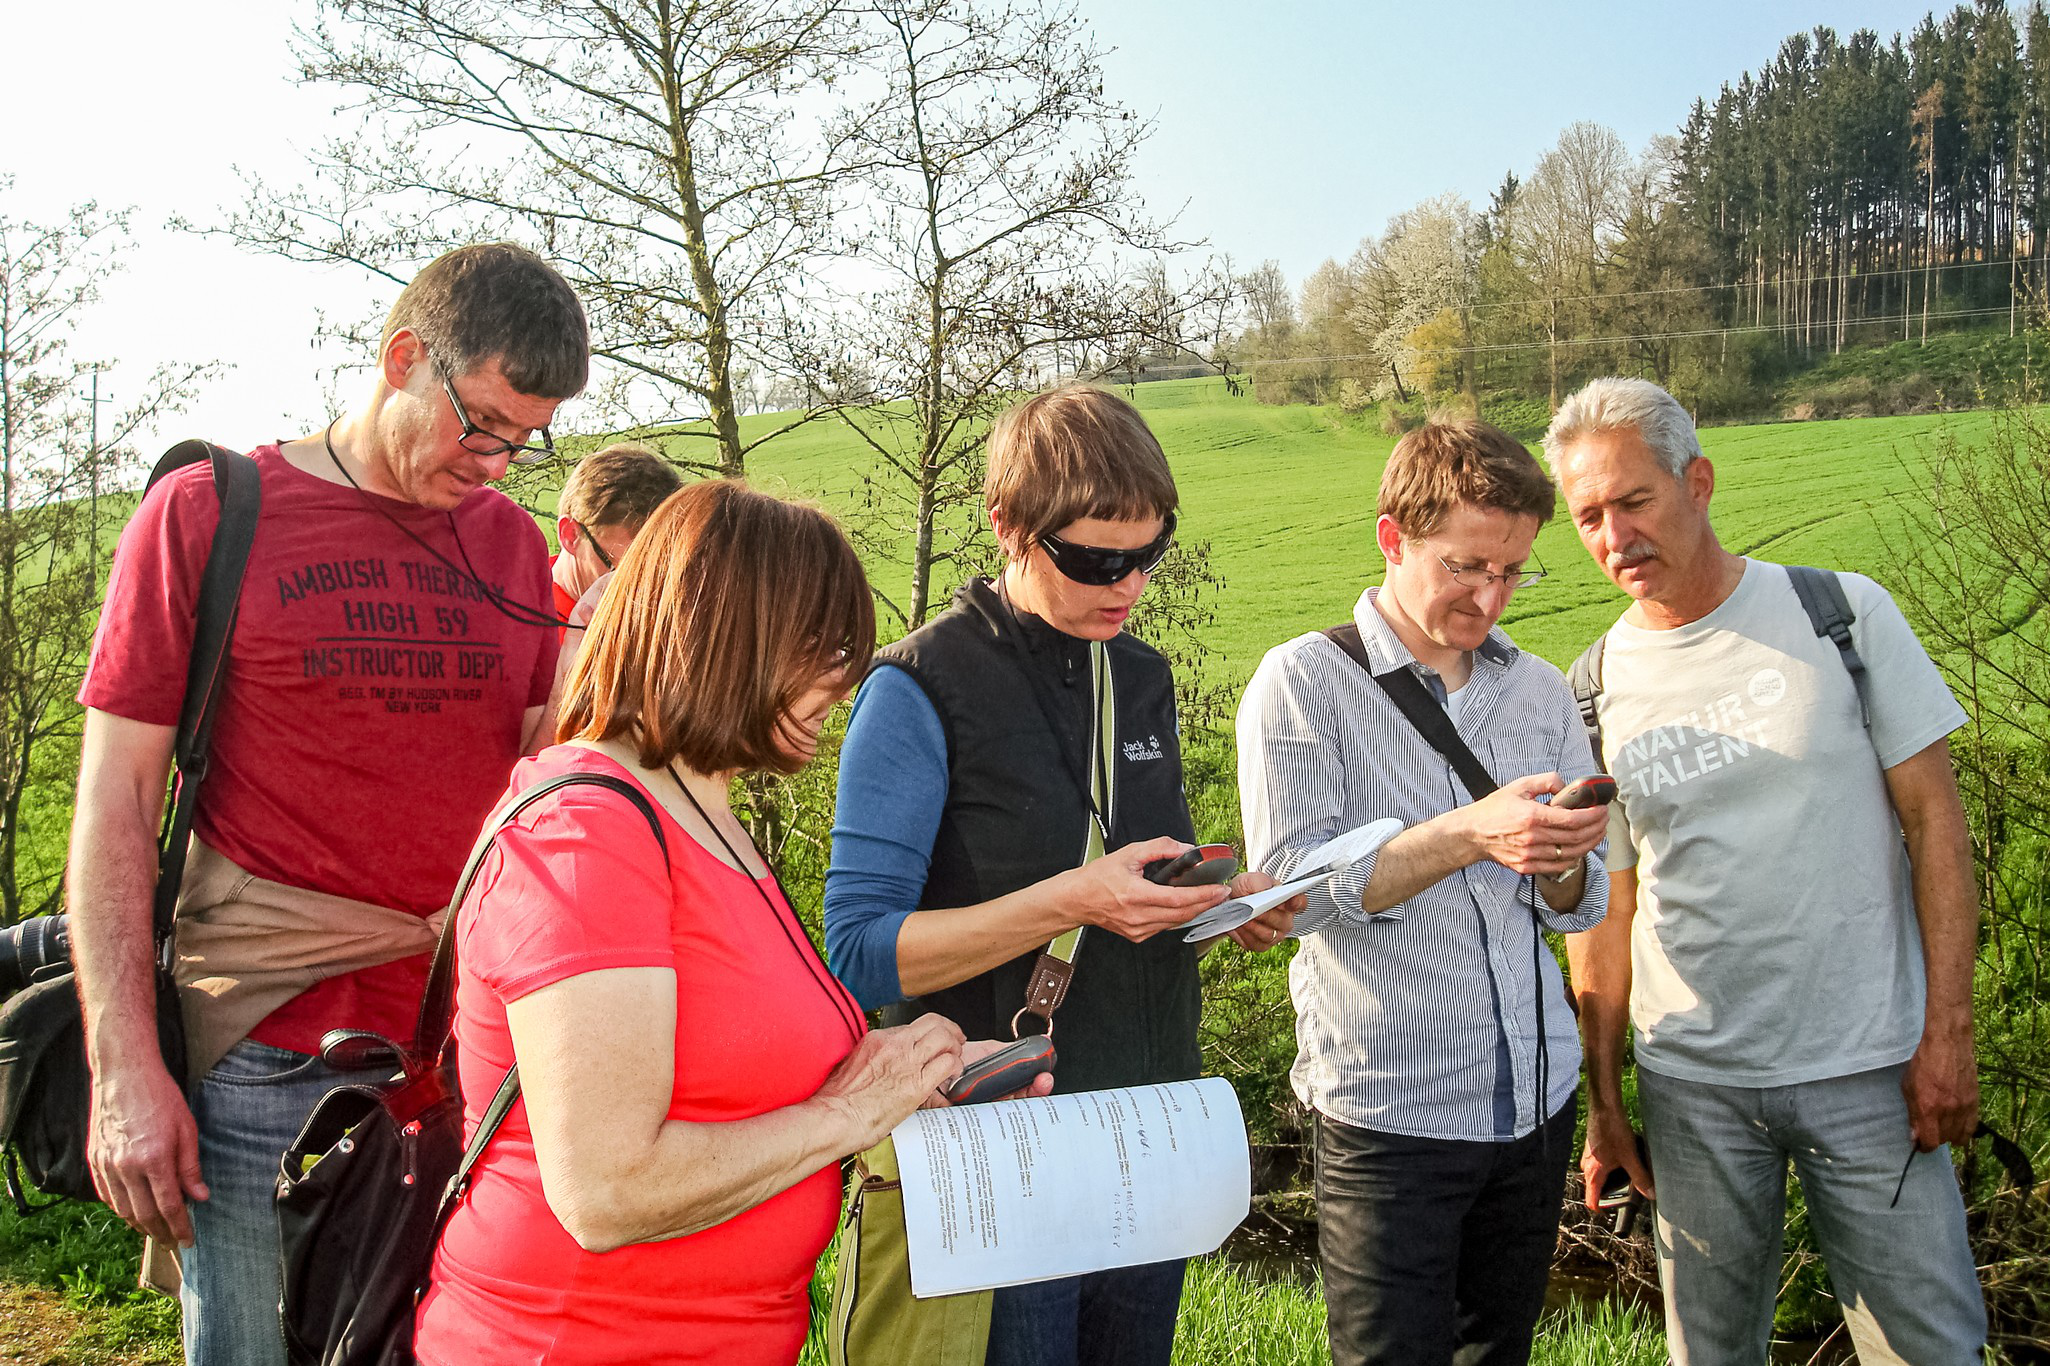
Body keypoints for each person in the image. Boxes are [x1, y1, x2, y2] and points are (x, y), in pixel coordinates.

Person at [69, 242, 583, 1365]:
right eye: (482, 425)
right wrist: (125, 1068)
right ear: (404, 358)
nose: (498, 464)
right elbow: (114, 804)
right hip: (266, 1052)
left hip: (464, 1052)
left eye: (526, 439)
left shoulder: (507, 543)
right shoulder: (210, 512)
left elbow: (541, 782)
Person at [413, 481, 1021, 1366]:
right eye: (825, 650)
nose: (844, 681)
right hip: (570, 1343)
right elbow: (608, 1190)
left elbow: (731, 1068)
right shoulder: (587, 832)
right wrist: (851, 1113)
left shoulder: (703, 814)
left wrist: (905, 1075)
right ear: (734, 637)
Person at [824, 383, 1296, 1366]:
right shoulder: (916, 687)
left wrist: (1220, 900)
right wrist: (1072, 902)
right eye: (1094, 560)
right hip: (1002, 1136)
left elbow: (1138, 868)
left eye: (1149, 554)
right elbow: (860, 953)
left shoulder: (1142, 675)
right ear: (1006, 524)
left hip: (1148, 1123)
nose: (1128, 585)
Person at [1543, 377, 1985, 1365]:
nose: (1614, 536)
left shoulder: (1841, 616)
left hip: (1870, 1067)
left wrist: (1948, 1032)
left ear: (1697, 482)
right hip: (1693, 1086)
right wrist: (1606, 1101)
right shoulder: (1593, 689)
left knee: (1929, 1349)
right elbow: (1609, 911)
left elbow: (1936, 827)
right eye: (1588, 516)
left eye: (1633, 501)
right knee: (1709, 1353)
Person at [1235, 419, 1610, 1366]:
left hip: (1535, 1101)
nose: (1490, 596)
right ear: (1392, 539)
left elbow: (1582, 903)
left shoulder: (1539, 691)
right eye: (1465, 566)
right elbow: (1294, 896)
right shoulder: (1302, 682)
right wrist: (1469, 834)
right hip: (1388, 1116)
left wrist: (1561, 856)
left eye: (1514, 571)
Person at [551, 440, 683, 634]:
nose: (642, 592)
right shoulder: (522, 622)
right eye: (622, 570)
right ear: (570, 535)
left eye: (658, 569)